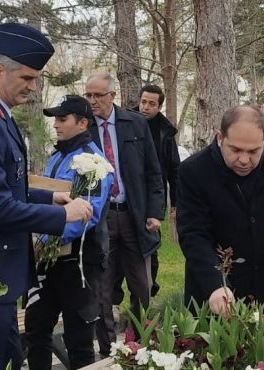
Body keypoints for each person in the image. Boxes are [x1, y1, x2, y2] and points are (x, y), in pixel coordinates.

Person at [0, 23, 93, 370]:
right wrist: (63, 217)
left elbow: (3, 185)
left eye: (36, 78)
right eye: (27, 78)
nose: (33, 87)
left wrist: (47, 199)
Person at [177, 105, 264, 314]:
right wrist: (215, 284)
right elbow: (193, 234)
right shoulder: (194, 171)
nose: (244, 160)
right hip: (214, 291)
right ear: (219, 138)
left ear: (263, 143)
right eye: (235, 150)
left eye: (253, 151)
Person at [25, 95, 113, 370]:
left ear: (83, 123)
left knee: (79, 340)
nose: (55, 125)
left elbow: (88, 213)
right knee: (37, 332)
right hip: (47, 260)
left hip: (79, 261)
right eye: (54, 119)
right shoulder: (57, 156)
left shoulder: (94, 162)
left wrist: (47, 235)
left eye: (62, 119)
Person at [84, 73, 165, 357]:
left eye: (98, 95)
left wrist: (155, 213)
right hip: (101, 220)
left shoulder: (135, 123)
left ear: (112, 95)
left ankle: (137, 344)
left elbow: (155, 173)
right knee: (103, 289)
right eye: (89, 96)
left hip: (134, 216)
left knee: (142, 286)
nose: (93, 101)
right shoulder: (84, 129)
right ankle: (107, 351)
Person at [135, 84, 180, 298]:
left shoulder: (165, 132)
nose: (145, 107)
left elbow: (174, 170)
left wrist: (175, 204)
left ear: (159, 106)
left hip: (153, 197)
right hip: (129, 194)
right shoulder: (127, 122)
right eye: (143, 101)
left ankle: (149, 291)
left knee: (151, 245)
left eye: (151, 104)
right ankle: (114, 300)